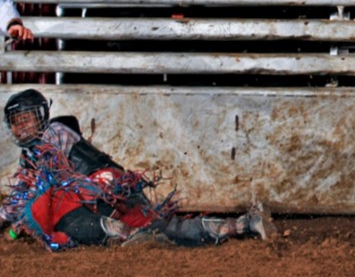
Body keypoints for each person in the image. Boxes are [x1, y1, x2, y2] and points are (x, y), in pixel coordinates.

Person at [0, 88, 276, 251]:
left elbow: (32, 193)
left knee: (53, 206)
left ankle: (124, 233)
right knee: (163, 228)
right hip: (107, 195)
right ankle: (242, 224)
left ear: (41, 117)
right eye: (16, 121)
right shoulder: (35, 153)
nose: (21, 126)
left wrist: (10, 227)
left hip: (103, 187)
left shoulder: (54, 133)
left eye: (27, 119)